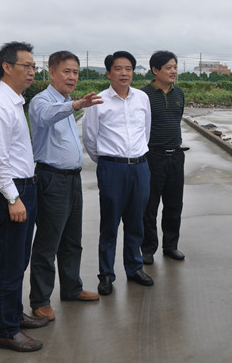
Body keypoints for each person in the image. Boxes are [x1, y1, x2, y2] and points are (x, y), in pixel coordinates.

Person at [0, 41, 48, 352]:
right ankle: (7, 331)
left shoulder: (15, 101)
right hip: (12, 191)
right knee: (9, 264)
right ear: (7, 67)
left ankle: (15, 316)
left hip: (24, 188)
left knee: (19, 260)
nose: (32, 72)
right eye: (26, 66)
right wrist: (12, 197)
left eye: (34, 66)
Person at [28, 51, 104, 322]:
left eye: (75, 72)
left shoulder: (67, 101)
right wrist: (75, 105)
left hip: (72, 179)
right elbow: (46, 117)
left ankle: (72, 288)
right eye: (66, 71)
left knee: (72, 239)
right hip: (52, 179)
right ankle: (40, 300)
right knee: (48, 242)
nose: (72, 77)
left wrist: (72, 104)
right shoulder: (42, 101)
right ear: (51, 72)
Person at [82, 51, 153, 295]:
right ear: (109, 73)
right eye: (118, 69)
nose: (124, 73)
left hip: (140, 167)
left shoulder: (142, 98)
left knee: (136, 222)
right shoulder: (99, 101)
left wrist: (136, 156)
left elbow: (146, 131)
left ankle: (134, 268)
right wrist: (107, 161)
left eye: (128, 69)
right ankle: (106, 274)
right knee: (110, 223)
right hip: (112, 168)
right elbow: (90, 138)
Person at [140, 51, 187, 265]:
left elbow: (178, 118)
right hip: (153, 157)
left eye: (175, 67)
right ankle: (148, 248)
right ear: (155, 70)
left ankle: (171, 246)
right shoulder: (144, 95)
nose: (173, 71)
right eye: (168, 67)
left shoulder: (179, 94)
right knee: (149, 206)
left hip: (176, 156)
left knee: (174, 205)